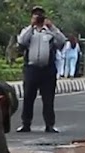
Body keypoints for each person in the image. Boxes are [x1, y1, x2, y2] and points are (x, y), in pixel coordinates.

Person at [16, 5, 66, 133]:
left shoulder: (49, 32)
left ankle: (49, 124)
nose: (38, 17)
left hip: (47, 69)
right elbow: (21, 42)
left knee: (48, 99)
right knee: (28, 97)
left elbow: (61, 42)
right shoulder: (28, 31)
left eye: (40, 14)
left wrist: (52, 27)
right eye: (35, 14)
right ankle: (26, 124)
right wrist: (31, 26)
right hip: (31, 68)